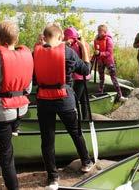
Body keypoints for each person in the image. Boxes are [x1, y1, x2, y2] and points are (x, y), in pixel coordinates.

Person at [33, 23, 93, 190]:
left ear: (43, 37)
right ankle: (86, 162)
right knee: (75, 132)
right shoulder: (68, 52)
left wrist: (37, 46)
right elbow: (86, 70)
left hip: (44, 100)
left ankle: (53, 178)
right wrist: (84, 48)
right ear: (60, 37)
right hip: (64, 99)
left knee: (47, 140)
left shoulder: (35, 53)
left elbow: (34, 79)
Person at [0, 20, 34, 190]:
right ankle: (15, 130)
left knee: (6, 156)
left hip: (2, 114)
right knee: (7, 149)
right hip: (20, 112)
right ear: (16, 39)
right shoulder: (26, 58)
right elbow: (28, 88)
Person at [93, 24, 127, 102]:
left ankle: (120, 96)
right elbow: (96, 51)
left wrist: (100, 54)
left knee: (113, 78)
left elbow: (109, 52)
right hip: (100, 61)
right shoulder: (96, 40)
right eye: (98, 30)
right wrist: (93, 58)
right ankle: (100, 94)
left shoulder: (109, 39)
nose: (98, 32)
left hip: (109, 62)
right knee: (101, 79)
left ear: (105, 31)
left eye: (100, 31)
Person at [63, 26, 91, 119]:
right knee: (84, 100)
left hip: (79, 77)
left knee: (75, 100)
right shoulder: (84, 43)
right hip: (85, 76)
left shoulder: (74, 46)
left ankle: (76, 119)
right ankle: (85, 118)